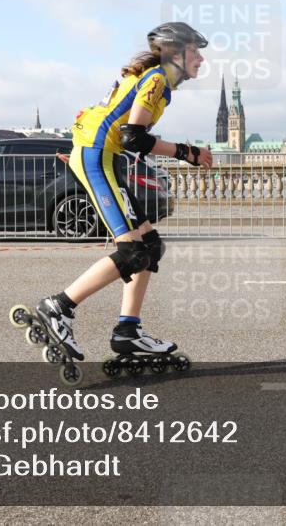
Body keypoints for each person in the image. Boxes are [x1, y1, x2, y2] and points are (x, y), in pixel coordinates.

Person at [35, 22, 213, 364]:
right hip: (98, 156)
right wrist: (187, 153)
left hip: (99, 155)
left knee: (150, 248)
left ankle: (128, 332)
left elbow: (109, 118)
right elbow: (134, 137)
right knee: (132, 253)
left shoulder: (155, 78)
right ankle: (58, 307)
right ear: (177, 53)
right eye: (195, 50)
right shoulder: (157, 79)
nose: (201, 58)